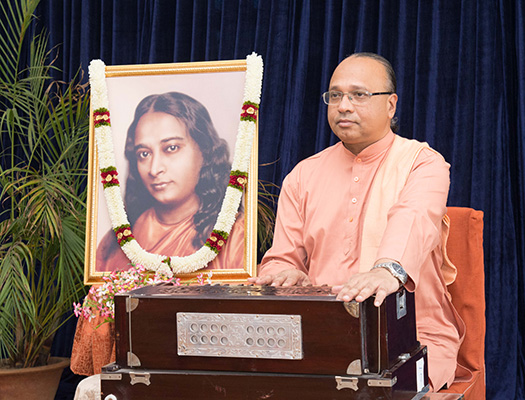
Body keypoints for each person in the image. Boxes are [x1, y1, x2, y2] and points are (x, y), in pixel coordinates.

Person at [249, 53, 466, 391]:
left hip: (412, 340)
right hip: (320, 339)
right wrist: (284, 274)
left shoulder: (423, 164)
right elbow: (282, 257)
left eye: (358, 95)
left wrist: (387, 270)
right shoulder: (303, 175)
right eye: (335, 96)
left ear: (391, 105)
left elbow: (413, 217)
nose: (344, 106)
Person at [95, 91, 244, 272]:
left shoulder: (234, 234)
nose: (154, 169)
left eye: (171, 148)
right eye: (144, 154)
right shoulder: (117, 241)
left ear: (205, 152)